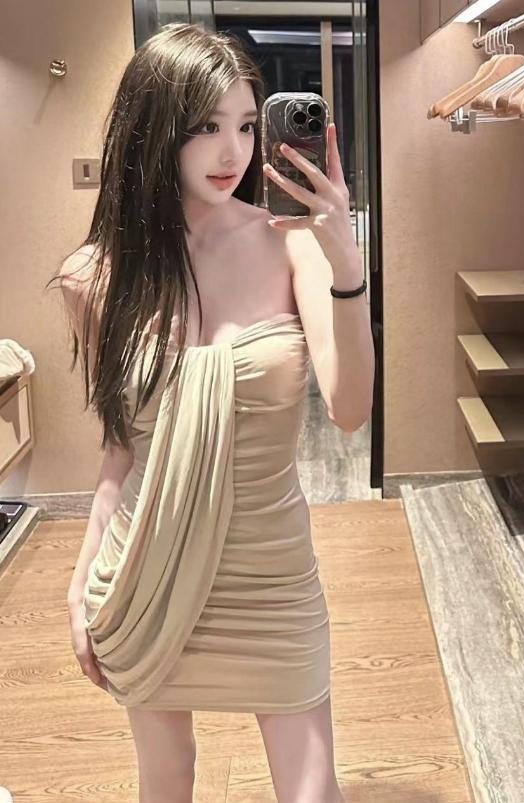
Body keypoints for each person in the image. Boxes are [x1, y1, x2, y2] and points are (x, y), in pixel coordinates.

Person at [49, 20, 372, 803]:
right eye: (206, 126)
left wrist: (347, 267)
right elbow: (122, 448)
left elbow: (350, 408)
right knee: (166, 780)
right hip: (146, 569)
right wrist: (82, 577)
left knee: (312, 790)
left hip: (271, 573)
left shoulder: (293, 245)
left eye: (246, 126)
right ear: (153, 129)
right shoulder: (93, 276)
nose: (233, 152)